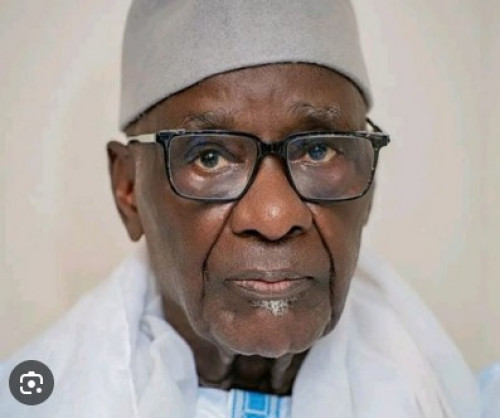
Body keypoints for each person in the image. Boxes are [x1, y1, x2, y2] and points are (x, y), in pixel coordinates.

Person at [0, 0, 481, 417]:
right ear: (128, 189)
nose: (274, 217)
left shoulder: (457, 400)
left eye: (318, 151)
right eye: (209, 156)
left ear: (368, 179)